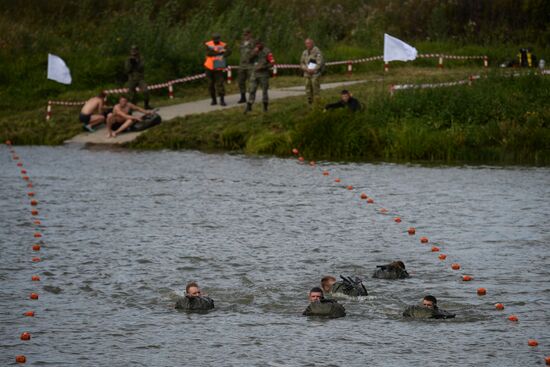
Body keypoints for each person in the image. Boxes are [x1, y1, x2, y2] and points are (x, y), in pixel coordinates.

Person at [244, 40, 274, 114]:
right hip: (254, 73)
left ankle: (265, 107)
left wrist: (264, 67)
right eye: (256, 44)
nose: (258, 46)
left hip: (264, 74)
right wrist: (254, 53)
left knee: (264, 91)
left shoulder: (267, 51)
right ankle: (249, 106)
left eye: (259, 44)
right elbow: (248, 60)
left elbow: (272, 62)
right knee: (252, 90)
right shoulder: (254, 51)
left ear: (262, 44)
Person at [204, 33, 232, 106]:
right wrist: (220, 52)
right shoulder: (208, 44)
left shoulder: (224, 44)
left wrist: (223, 54)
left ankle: (222, 100)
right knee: (210, 84)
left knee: (220, 84)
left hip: (219, 66)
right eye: (215, 39)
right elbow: (209, 53)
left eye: (218, 39)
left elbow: (229, 51)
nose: (217, 41)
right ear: (212, 39)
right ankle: (214, 100)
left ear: (219, 38)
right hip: (209, 67)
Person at [300, 38, 324, 105]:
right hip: (307, 73)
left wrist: (314, 70)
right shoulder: (304, 52)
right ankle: (309, 102)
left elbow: (320, 63)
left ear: (312, 43)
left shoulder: (317, 52)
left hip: (315, 74)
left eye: (309, 43)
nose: (307, 45)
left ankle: (317, 104)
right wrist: (306, 69)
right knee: (307, 88)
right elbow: (301, 63)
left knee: (315, 89)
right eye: (306, 43)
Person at [237, 29, 255, 104]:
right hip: (242, 65)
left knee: (251, 81)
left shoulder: (254, 43)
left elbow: (257, 53)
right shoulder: (242, 43)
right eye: (244, 34)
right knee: (240, 81)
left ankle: (251, 97)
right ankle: (243, 97)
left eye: (247, 34)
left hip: (250, 65)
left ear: (250, 34)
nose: (245, 36)